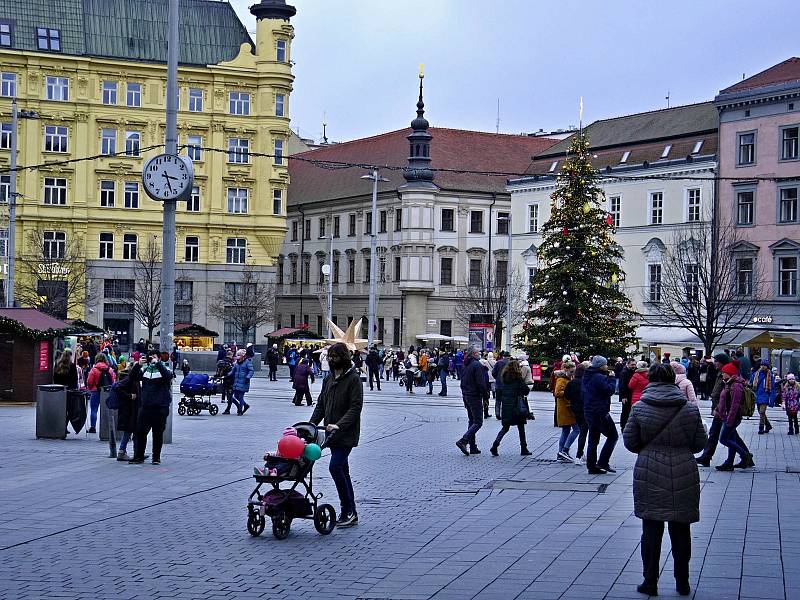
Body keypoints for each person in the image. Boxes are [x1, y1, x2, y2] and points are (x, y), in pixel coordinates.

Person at [623, 362, 708, 597]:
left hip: (649, 471)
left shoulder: (640, 407)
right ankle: (683, 582)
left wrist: (650, 448)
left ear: (650, 379)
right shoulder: (690, 409)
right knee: (681, 531)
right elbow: (700, 444)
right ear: (674, 379)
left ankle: (650, 581)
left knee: (651, 531)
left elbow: (630, 442)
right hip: (683, 472)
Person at [310, 342, 363, 527]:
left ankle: (347, 510)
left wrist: (339, 425)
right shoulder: (330, 378)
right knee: (343, 471)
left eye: (335, 357)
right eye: (330, 357)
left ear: (344, 358)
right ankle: (351, 511)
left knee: (335, 467)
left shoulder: (353, 379)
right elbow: (321, 404)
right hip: (331, 433)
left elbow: (355, 407)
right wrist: (311, 425)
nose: (331, 360)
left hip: (345, 433)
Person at [128, 351, 174, 465]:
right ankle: (139, 456)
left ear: (159, 358)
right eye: (150, 357)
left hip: (160, 407)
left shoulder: (165, 368)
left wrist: (158, 363)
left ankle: (156, 457)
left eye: (154, 357)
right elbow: (132, 377)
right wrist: (138, 364)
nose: (151, 359)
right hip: (146, 406)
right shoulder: (145, 370)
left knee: (157, 433)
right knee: (140, 432)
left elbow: (168, 376)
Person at [715, 362, 755, 471]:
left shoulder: (736, 385)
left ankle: (745, 455)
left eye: (724, 372)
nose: (722, 374)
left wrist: (729, 419)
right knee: (731, 438)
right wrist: (718, 410)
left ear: (730, 373)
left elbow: (735, 404)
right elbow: (724, 400)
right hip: (727, 416)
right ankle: (729, 462)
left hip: (732, 417)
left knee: (723, 439)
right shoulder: (729, 383)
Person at [582, 355, 618, 475]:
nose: (607, 366)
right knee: (613, 436)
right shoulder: (598, 377)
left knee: (593, 439)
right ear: (601, 366)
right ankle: (603, 462)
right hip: (600, 411)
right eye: (605, 364)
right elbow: (609, 390)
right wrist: (612, 379)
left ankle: (592, 466)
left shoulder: (588, 375)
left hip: (589, 410)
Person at [696, 353, 731, 467]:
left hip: (723, 410)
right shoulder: (720, 373)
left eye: (716, 361)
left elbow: (724, 394)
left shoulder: (726, 374)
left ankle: (745, 455)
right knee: (715, 433)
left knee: (726, 435)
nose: (714, 363)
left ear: (722, 362)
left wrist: (717, 408)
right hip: (719, 409)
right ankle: (706, 456)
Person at [490, 359, 531, 456]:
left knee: (505, 428)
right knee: (521, 428)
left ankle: (495, 445)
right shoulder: (518, 378)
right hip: (517, 406)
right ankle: (523, 448)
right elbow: (525, 390)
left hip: (506, 406)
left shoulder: (504, 378)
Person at [455, 347, 489, 455]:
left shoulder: (465, 364)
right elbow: (480, 383)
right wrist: (485, 395)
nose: (480, 353)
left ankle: (473, 447)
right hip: (475, 396)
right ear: (474, 353)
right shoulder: (477, 365)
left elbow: (462, 382)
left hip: (466, 395)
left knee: (471, 420)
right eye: (478, 352)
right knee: (478, 422)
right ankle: (463, 440)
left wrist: (464, 394)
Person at [115, 360, 142, 461]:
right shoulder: (129, 379)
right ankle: (123, 451)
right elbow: (118, 388)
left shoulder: (134, 379)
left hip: (132, 409)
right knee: (130, 430)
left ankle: (136, 452)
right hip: (129, 410)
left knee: (133, 431)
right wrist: (130, 396)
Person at [554, 361, 580, 462]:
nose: (573, 373)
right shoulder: (561, 379)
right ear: (566, 369)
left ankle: (561, 453)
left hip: (568, 408)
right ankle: (564, 450)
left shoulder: (568, 378)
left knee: (565, 431)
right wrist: (569, 392)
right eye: (571, 371)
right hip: (566, 408)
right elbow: (557, 393)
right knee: (576, 429)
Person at [86, 354, 116, 434]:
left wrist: (90, 388)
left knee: (94, 409)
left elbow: (89, 381)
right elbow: (113, 381)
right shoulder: (109, 369)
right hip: (106, 391)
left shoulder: (94, 369)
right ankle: (107, 427)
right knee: (107, 409)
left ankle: (93, 427)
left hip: (95, 391)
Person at [566, 361, 589, 464]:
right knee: (583, 432)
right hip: (585, 408)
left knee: (581, 430)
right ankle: (579, 455)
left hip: (575, 409)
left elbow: (566, 395)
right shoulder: (586, 382)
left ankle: (581, 453)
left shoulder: (572, 382)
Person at [751, 361, 774, 434]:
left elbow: (773, 388)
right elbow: (751, 382)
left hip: (765, 395)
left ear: (767, 366)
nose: (763, 366)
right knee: (761, 413)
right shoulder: (756, 374)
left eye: (765, 365)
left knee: (762, 412)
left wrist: (772, 400)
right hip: (757, 395)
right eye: (762, 365)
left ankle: (761, 428)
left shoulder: (770, 375)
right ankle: (768, 425)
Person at [228, 349, 253, 415]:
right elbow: (233, 371)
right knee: (236, 396)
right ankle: (245, 405)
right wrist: (226, 375)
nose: (237, 356)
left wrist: (248, 377)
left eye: (239, 355)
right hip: (236, 382)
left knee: (241, 396)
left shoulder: (247, 362)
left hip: (244, 381)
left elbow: (251, 370)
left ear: (242, 356)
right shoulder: (236, 363)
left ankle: (240, 410)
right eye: (237, 355)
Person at [618, 358, 636, 431]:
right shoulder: (624, 372)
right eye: (632, 364)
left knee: (628, 411)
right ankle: (623, 426)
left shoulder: (632, 371)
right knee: (625, 411)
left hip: (631, 394)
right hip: (626, 395)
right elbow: (622, 385)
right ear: (628, 364)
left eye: (634, 364)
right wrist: (623, 396)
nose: (634, 366)